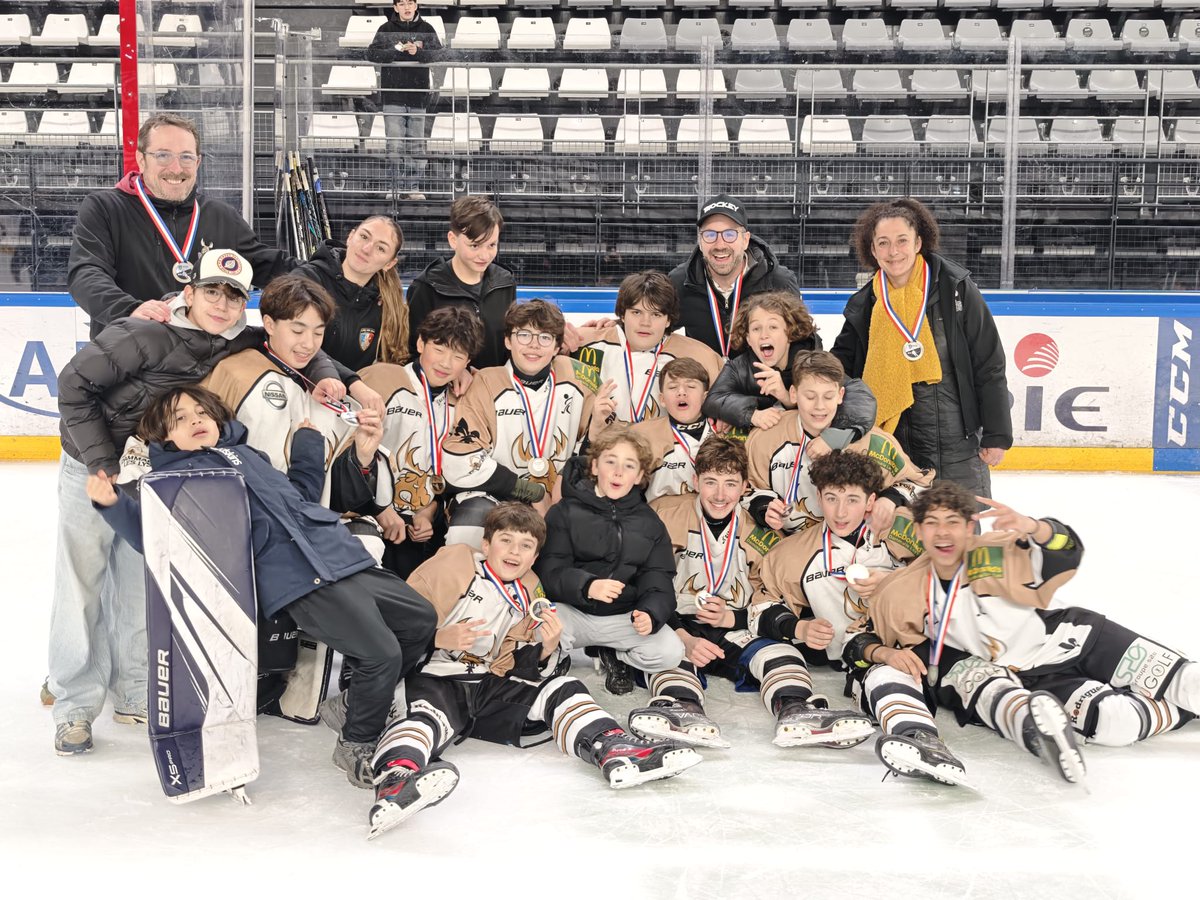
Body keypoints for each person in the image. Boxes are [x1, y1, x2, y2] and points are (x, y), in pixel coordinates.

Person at [50, 252, 347, 756]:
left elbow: (291, 345)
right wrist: (104, 462)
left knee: (142, 588)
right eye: (211, 291)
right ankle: (75, 704)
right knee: (82, 583)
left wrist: (334, 374)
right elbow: (73, 386)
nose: (222, 304)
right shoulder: (142, 332)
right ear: (188, 294)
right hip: (96, 466)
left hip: (155, 474)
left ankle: (132, 691)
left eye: (233, 296)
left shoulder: (236, 337)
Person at [88, 386, 438, 789]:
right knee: (380, 652)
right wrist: (113, 505)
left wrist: (308, 448)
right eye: (181, 419)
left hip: (339, 554)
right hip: (297, 579)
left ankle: (353, 704)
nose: (196, 421)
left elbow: (300, 495)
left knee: (419, 620)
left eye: (202, 413)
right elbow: (156, 539)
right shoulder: (175, 480)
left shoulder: (249, 456)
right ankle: (356, 742)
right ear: (165, 437)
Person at [365, 503, 702, 840]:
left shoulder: (531, 589)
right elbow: (389, 625)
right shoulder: (454, 563)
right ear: (486, 544)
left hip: (490, 687)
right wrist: (435, 637)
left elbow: (520, 668)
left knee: (563, 688)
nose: (514, 551)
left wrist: (544, 648)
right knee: (424, 719)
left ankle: (613, 748)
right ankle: (396, 780)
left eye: (526, 546)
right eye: (506, 541)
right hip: (438, 679)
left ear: (535, 555)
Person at [866, 482, 1199, 783]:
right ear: (918, 530)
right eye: (932, 523)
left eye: (953, 522)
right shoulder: (899, 594)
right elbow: (894, 651)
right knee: (1114, 722)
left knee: (1189, 682)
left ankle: (1180, 690)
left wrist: (1037, 528)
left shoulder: (994, 550)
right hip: (1031, 680)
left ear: (970, 528)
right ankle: (1181, 708)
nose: (943, 534)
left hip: (1073, 637)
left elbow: (1066, 550)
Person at [752, 450, 976, 785]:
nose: (841, 512)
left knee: (978, 677)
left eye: (853, 499)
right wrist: (797, 625)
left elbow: (961, 571)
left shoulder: (905, 532)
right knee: (879, 678)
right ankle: (920, 741)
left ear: (872, 501)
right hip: (860, 658)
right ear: (818, 498)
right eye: (831, 498)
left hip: (926, 643)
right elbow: (758, 606)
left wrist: (893, 582)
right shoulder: (791, 553)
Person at [633, 438, 873, 750]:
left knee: (783, 655)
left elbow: (766, 601)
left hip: (734, 628)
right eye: (710, 482)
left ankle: (797, 710)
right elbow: (642, 585)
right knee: (664, 652)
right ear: (695, 481)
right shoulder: (663, 515)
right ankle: (681, 708)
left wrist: (732, 616)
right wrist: (684, 637)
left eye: (731, 483)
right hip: (672, 623)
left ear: (746, 486)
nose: (720, 494)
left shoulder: (761, 533)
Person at [829, 197, 1012, 499]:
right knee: (901, 538)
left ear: (918, 242)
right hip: (894, 446)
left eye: (902, 240)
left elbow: (989, 362)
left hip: (956, 445)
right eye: (883, 243)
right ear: (872, 250)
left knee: (956, 538)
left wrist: (996, 433)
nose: (893, 251)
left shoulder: (956, 288)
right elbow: (841, 367)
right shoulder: (865, 304)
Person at [68, 113, 294, 340]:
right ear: (141, 159)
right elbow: (86, 273)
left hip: (202, 361)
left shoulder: (221, 216)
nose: (176, 168)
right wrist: (128, 309)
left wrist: (324, 268)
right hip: (130, 353)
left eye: (186, 157)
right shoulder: (105, 209)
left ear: (198, 162)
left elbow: (268, 266)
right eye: (163, 155)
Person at [440, 300, 613, 548]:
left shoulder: (579, 378)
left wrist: (595, 429)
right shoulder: (485, 382)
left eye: (544, 337)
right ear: (508, 341)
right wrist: (530, 492)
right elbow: (459, 461)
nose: (533, 345)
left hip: (561, 496)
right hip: (495, 496)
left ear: (557, 346)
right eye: (524, 335)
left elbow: (607, 450)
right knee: (468, 527)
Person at [535, 425, 684, 695]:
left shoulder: (649, 523)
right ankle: (558, 655)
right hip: (574, 612)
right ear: (594, 467)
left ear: (639, 476)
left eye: (629, 466)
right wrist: (587, 585)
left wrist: (651, 612)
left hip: (622, 617)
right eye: (610, 462)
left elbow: (659, 579)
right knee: (537, 630)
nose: (618, 472)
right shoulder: (564, 512)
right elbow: (549, 569)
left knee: (671, 652)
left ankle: (614, 654)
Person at [746, 350, 933, 537]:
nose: (819, 406)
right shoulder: (766, 438)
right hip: (793, 550)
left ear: (840, 394)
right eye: (810, 397)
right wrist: (763, 506)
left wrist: (890, 499)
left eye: (828, 397)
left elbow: (920, 483)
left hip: (858, 551)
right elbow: (745, 487)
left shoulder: (872, 441)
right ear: (793, 393)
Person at [355, 307, 484, 577]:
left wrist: (428, 513)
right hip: (371, 514)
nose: (446, 363)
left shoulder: (461, 400)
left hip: (422, 520)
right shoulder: (382, 380)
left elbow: (446, 470)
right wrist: (379, 510)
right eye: (439, 349)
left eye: (458, 356)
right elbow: (350, 458)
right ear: (420, 343)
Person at [702, 290, 876, 437]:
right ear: (748, 338)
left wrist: (785, 397)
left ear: (790, 333)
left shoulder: (813, 362)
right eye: (756, 329)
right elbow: (714, 399)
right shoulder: (739, 367)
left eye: (773, 327)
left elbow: (862, 399)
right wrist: (751, 415)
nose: (764, 335)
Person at [573, 271, 723, 423]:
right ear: (623, 315)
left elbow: (727, 397)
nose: (645, 322)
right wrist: (563, 331)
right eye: (637, 312)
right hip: (600, 443)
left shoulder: (698, 355)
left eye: (656, 314)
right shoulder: (587, 341)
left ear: (668, 320)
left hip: (666, 445)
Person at [668, 194, 801, 358]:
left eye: (729, 234)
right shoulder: (680, 282)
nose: (720, 245)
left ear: (745, 240)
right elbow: (655, 333)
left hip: (759, 382)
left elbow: (802, 344)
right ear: (700, 241)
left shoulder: (778, 281)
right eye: (710, 235)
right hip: (706, 381)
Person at [405, 196, 514, 370]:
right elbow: (412, 351)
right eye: (475, 246)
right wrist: (455, 373)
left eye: (492, 245)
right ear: (453, 240)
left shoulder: (505, 282)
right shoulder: (426, 287)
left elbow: (509, 343)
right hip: (445, 391)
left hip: (494, 388)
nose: (485, 255)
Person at [293, 215, 410, 370]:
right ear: (350, 237)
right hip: (300, 387)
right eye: (364, 237)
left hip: (354, 393)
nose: (366, 249)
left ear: (389, 263)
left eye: (380, 248)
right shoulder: (306, 281)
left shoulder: (386, 306)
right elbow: (290, 345)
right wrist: (349, 381)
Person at [366, 0, 442, 201]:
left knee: (416, 145)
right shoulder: (385, 29)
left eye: (410, 3)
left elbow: (438, 54)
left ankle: (413, 188)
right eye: (402, 3)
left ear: (416, 6)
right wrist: (395, 51)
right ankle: (395, 188)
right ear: (395, 7)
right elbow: (371, 53)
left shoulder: (427, 29)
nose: (407, 7)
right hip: (393, 96)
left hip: (418, 96)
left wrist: (419, 53)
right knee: (395, 144)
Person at [630, 358, 717, 503]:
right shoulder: (642, 435)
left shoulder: (723, 432)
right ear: (662, 399)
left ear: (705, 397)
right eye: (672, 387)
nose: (681, 392)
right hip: (659, 520)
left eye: (690, 386)